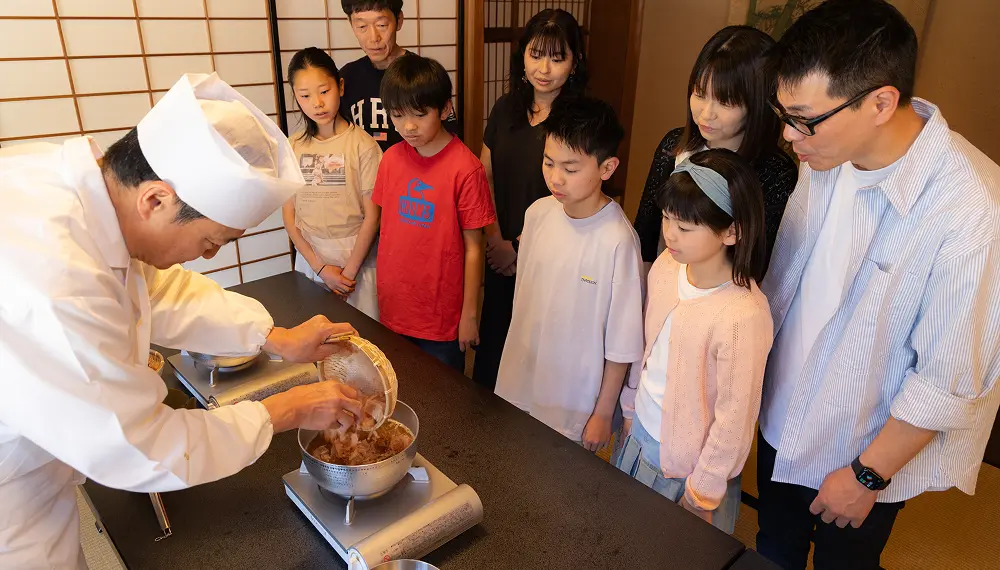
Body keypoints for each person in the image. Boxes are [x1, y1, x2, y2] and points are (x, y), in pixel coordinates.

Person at [0, 73, 367, 569]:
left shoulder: (87, 195)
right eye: (211, 241)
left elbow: (154, 288)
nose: (207, 255)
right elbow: (142, 446)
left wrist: (274, 338)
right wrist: (289, 410)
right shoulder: (53, 277)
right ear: (156, 199)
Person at [758, 1, 1000, 568]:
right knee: (773, 551)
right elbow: (792, 281)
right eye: (785, 114)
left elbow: (950, 378)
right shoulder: (826, 158)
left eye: (804, 118)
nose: (790, 136)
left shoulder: (973, 207)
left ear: (881, 102)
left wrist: (869, 474)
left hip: (858, 456)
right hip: (780, 420)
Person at [615, 149, 773, 534]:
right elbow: (647, 349)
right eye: (668, 218)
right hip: (638, 438)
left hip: (690, 471)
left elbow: (734, 420)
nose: (669, 233)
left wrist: (702, 491)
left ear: (731, 231)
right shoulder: (668, 268)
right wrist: (630, 409)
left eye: (685, 228)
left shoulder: (743, 315)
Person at [495, 97, 644, 451]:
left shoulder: (617, 240)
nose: (555, 177)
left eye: (571, 169)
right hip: (521, 379)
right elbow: (526, 301)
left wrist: (603, 412)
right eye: (549, 162)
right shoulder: (538, 214)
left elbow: (622, 343)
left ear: (606, 168)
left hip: (574, 403)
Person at [472, 8, 589, 391]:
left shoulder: (579, 120)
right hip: (497, 247)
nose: (545, 68)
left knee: (537, 357)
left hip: (549, 257)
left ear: (574, 63)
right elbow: (484, 175)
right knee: (494, 348)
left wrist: (518, 249)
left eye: (558, 58)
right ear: (521, 55)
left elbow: (575, 197)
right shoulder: (505, 108)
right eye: (536, 54)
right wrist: (495, 240)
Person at [632, 26, 795, 273]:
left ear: (759, 104)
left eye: (726, 102)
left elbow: (762, 265)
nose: (706, 114)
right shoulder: (674, 146)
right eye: (699, 94)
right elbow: (646, 232)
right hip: (661, 285)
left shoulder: (776, 173)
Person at [371, 55, 496, 371]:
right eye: (397, 115)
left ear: (444, 107)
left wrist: (469, 315)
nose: (408, 126)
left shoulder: (466, 168)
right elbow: (389, 231)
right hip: (395, 308)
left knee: (442, 405)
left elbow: (474, 246)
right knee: (399, 394)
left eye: (419, 114)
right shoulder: (391, 160)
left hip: (442, 318)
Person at [283, 47, 383, 320]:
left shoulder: (363, 145)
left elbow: (372, 216)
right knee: (319, 344)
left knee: (364, 345)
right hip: (312, 259)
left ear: (339, 87)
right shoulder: (292, 147)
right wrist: (321, 269)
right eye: (305, 96)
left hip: (357, 260)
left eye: (324, 91)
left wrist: (347, 274)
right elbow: (290, 217)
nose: (317, 103)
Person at [339, 0, 457, 151]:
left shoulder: (421, 75)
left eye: (382, 25)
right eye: (362, 27)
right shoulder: (347, 78)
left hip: (416, 172)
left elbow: (449, 139)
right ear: (350, 24)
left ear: (399, 20)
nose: (373, 38)